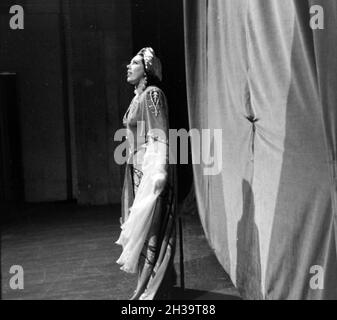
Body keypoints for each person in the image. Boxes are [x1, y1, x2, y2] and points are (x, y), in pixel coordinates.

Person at [115, 47, 176, 300]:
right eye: (129, 63)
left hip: (148, 168)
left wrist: (159, 170)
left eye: (135, 63)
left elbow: (159, 133)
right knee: (140, 227)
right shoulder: (137, 97)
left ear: (146, 70)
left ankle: (151, 290)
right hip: (135, 168)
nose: (129, 67)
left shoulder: (152, 94)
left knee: (151, 227)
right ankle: (147, 288)